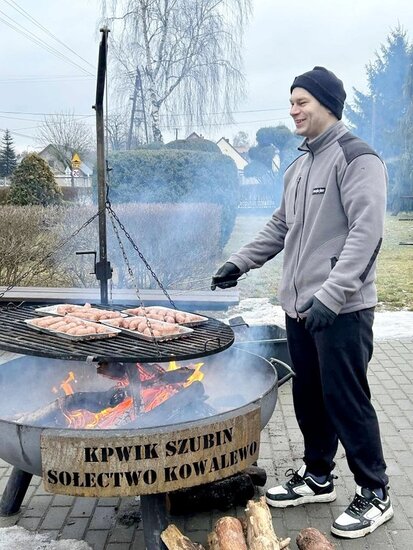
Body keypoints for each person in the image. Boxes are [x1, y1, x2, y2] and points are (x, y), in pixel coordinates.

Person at [211, 66, 393, 539]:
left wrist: (332, 295)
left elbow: (367, 233)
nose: (292, 110)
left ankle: (376, 492)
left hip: (342, 310)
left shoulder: (357, 158)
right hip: (299, 309)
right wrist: (238, 263)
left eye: (301, 102)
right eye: (291, 102)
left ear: (327, 104)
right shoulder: (298, 166)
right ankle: (318, 476)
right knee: (310, 397)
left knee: (346, 399)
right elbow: (281, 225)